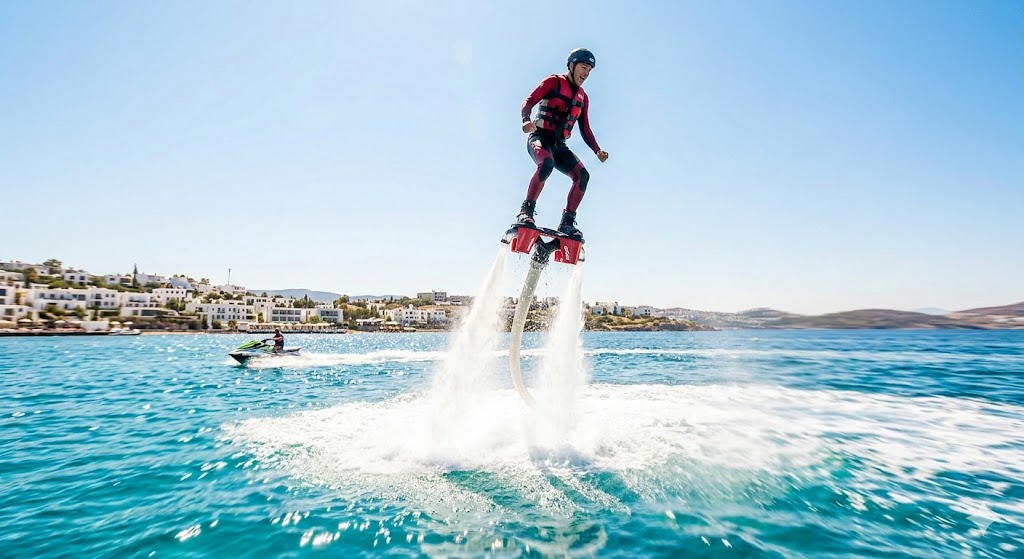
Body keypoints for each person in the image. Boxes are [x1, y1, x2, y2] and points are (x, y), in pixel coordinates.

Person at [517, 47, 609, 240]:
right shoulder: (553, 82)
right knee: (547, 164)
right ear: (572, 65)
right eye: (584, 67)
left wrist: (597, 150)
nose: (586, 73)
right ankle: (526, 212)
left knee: (582, 176)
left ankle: (567, 223)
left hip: (559, 145)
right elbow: (529, 101)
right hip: (539, 138)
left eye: (589, 70)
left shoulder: (583, 98)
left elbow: (585, 128)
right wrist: (526, 120)